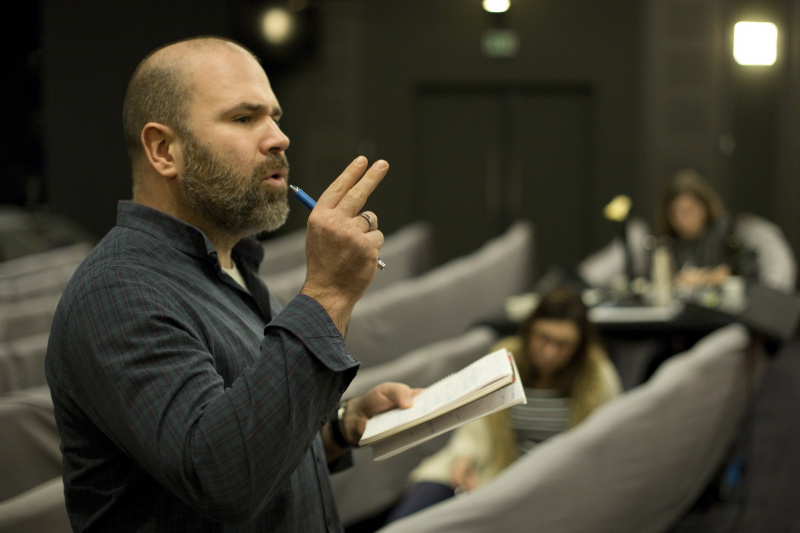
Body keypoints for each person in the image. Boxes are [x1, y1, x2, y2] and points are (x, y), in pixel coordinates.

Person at [44, 36, 418, 532]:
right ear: (164, 150)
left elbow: (245, 425)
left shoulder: (233, 263)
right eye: (244, 118)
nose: (278, 138)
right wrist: (329, 292)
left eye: (275, 117)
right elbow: (222, 476)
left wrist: (336, 429)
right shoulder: (118, 293)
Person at [385, 286, 622, 523]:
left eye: (563, 344)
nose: (550, 352)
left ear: (579, 346)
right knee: (415, 509)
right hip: (499, 467)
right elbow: (475, 426)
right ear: (529, 331)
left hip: (557, 481)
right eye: (544, 338)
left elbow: (603, 444)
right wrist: (464, 457)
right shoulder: (504, 360)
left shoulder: (597, 376)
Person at [656, 168, 759, 289]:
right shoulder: (669, 241)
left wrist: (709, 277)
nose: (681, 220)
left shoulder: (725, 231)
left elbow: (748, 268)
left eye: (689, 211)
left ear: (704, 207)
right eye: (674, 214)